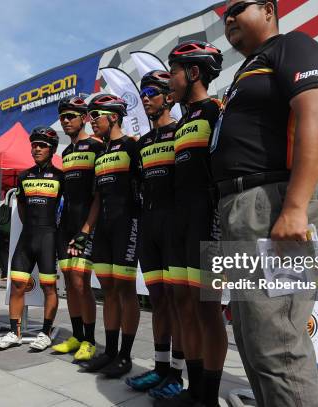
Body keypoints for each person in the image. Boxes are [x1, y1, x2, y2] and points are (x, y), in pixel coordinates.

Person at [211, 1, 318, 406]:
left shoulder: (293, 46)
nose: (228, 17)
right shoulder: (247, 69)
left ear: (267, 9)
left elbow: (317, 115)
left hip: (276, 202)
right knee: (251, 338)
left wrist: (296, 207)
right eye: (224, 13)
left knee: (277, 341)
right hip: (242, 209)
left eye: (237, 8)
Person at [159, 40, 226, 407]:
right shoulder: (184, 121)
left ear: (194, 73)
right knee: (184, 304)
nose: (170, 79)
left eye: (174, 71)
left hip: (208, 219)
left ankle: (210, 398)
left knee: (208, 308)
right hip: (180, 220)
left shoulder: (217, 111)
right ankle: (194, 389)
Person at [125, 70, 184, 399]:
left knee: (178, 304)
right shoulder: (143, 143)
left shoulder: (180, 132)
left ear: (169, 97)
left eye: (152, 92)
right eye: (143, 93)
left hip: (176, 227)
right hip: (150, 227)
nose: (145, 97)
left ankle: (177, 373)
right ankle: (161, 369)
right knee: (158, 301)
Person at [80, 94, 141, 378]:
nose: (90, 122)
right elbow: (96, 198)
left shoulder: (132, 145)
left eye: (95, 116)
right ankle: (110, 352)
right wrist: (86, 230)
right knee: (107, 291)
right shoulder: (101, 153)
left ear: (113, 117)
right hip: (102, 228)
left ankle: (126, 356)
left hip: (126, 224)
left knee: (126, 291)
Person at [0, 127, 63, 351]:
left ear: (51, 149)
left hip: (49, 237)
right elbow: (21, 205)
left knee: (49, 287)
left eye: (42, 145)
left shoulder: (61, 177)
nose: (37, 149)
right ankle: (14, 332)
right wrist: (30, 226)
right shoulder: (24, 176)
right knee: (17, 285)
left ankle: (46, 332)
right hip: (27, 237)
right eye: (34, 145)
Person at [52, 96, 103, 361]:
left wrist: (86, 229)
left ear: (84, 117)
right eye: (63, 117)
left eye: (71, 116)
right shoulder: (66, 152)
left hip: (86, 223)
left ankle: (91, 341)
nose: (66, 121)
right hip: (66, 224)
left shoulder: (97, 145)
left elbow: (99, 195)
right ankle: (76, 335)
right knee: (70, 283)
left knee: (82, 283)